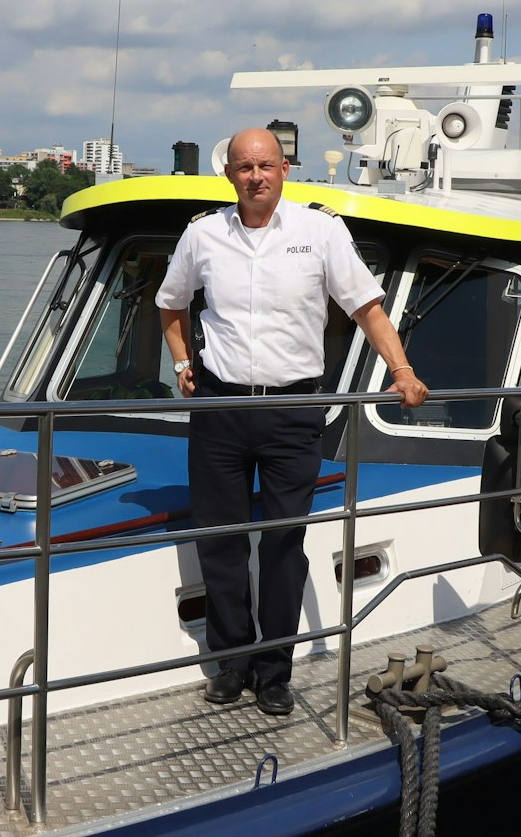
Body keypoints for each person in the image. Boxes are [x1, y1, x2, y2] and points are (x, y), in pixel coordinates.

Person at [156, 127, 428, 717]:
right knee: (222, 541)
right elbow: (170, 303)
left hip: (292, 409)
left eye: (267, 165)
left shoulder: (321, 232)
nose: (256, 176)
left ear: (285, 170)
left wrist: (402, 370)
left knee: (283, 543)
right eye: (244, 167)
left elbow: (366, 307)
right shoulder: (202, 235)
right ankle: (231, 664)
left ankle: (274, 670)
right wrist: (182, 361)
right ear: (228, 174)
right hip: (220, 407)